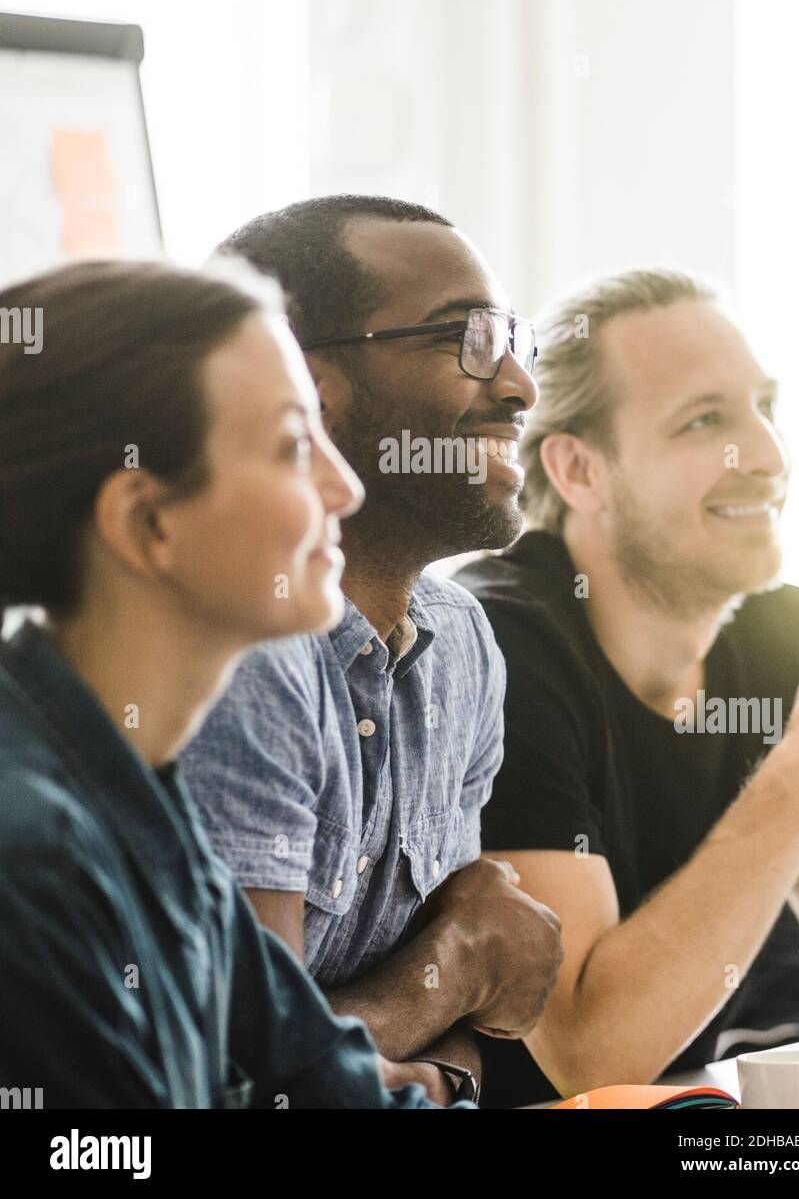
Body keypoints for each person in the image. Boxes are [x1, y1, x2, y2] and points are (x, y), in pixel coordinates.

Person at [0, 256, 475, 1108]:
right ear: (149, 522)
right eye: (296, 445)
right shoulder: (33, 853)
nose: (346, 485)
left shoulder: (138, 798)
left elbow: (323, 1086)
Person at [180, 196, 562, 1100]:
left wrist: (418, 1035)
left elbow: (469, 1052)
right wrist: (456, 963)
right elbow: (239, 1078)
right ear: (307, 390)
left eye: (513, 338)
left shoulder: (464, 642)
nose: (517, 385)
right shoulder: (249, 644)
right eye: (463, 338)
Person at [456, 268, 799, 1108]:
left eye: (765, 408)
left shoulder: (785, 629)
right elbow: (591, 1052)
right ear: (578, 470)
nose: (768, 457)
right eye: (706, 421)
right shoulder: (496, 646)